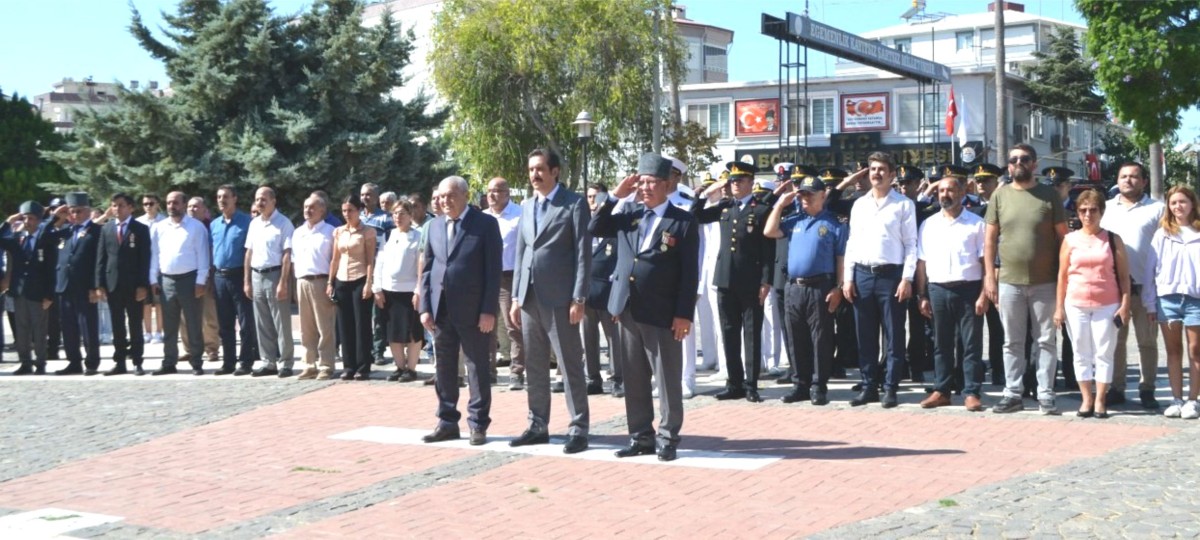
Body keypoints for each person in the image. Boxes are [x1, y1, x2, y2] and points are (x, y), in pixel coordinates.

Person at [589, 153, 699, 462]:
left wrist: (683, 314)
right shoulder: (629, 215)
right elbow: (594, 226)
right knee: (634, 378)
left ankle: (668, 436)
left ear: (666, 184)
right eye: (642, 181)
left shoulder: (683, 220)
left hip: (662, 312)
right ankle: (640, 436)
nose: (646, 187)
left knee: (666, 378)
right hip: (626, 308)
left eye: (652, 182)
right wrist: (615, 196)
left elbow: (689, 273)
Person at [508, 147, 593, 455]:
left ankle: (578, 428)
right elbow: (521, 253)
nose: (534, 174)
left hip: (561, 298)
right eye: (531, 169)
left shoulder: (573, 204)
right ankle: (537, 425)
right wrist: (516, 296)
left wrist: (578, 297)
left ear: (555, 171)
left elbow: (583, 254)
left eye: (540, 169)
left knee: (570, 365)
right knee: (534, 364)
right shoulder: (527, 205)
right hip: (530, 298)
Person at [419, 176, 502, 446]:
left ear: (465, 195)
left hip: (474, 311)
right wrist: (425, 307)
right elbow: (428, 269)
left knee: (477, 367)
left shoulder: (485, 224)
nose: (445, 201)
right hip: (441, 310)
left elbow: (493, 271)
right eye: (441, 196)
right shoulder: (432, 226)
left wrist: (489, 310)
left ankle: (478, 423)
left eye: (451, 195)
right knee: (443, 367)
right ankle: (447, 421)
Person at [985, 143, 1068, 414]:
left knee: (1046, 340)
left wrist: (1063, 277)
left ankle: (1045, 394)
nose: (1017, 163)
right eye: (1013, 159)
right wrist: (989, 276)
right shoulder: (1000, 196)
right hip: (1009, 281)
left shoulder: (1049, 195)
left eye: (1024, 159)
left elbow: (1063, 238)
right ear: (1008, 165)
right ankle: (1012, 393)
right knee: (1012, 341)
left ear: (1034, 164)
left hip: (1045, 282)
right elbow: (989, 241)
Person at [693, 161, 775, 403]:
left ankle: (751, 384)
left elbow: (767, 250)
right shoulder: (725, 207)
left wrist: (766, 281)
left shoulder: (760, 210)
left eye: (740, 180)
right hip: (725, 279)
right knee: (728, 332)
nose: (735, 184)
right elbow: (696, 216)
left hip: (751, 281)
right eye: (733, 181)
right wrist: (705, 193)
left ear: (751, 182)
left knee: (751, 333)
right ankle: (734, 382)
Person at [841, 152, 918, 408]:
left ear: (892, 174)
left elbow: (911, 245)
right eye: (873, 169)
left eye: (882, 169)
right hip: (862, 275)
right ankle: (869, 385)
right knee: (865, 336)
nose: (877, 173)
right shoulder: (859, 204)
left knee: (894, 336)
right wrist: (847, 279)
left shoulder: (904, 205)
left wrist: (907, 278)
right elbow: (852, 243)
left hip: (891, 276)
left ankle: (891, 387)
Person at [764, 167, 846, 406]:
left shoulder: (834, 224)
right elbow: (769, 231)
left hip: (820, 287)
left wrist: (838, 287)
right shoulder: (795, 221)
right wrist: (780, 204)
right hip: (794, 287)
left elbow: (841, 258)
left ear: (823, 195)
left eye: (809, 194)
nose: (804, 198)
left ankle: (818, 386)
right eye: (801, 195)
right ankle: (800, 385)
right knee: (795, 337)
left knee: (820, 339)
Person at [1053, 189, 1130, 419]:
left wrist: (1125, 304)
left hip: (1106, 303)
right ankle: (1086, 398)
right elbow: (1062, 276)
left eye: (1093, 210)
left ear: (1101, 212)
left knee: (1104, 352)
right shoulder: (1070, 239)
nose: (1088, 214)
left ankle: (1100, 400)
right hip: (1075, 304)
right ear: (1077, 212)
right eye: (1083, 210)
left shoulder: (1113, 239)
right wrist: (1059, 308)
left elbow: (1124, 277)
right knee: (1080, 351)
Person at [915, 174, 989, 411]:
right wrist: (922, 295)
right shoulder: (928, 224)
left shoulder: (976, 224)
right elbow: (922, 263)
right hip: (937, 289)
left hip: (968, 289)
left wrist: (984, 294)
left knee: (971, 345)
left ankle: (971, 392)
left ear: (961, 193)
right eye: (941, 191)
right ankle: (942, 390)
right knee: (941, 344)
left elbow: (985, 262)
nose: (945, 195)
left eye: (950, 191)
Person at [1100, 162, 1164, 409]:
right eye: (1124, 176)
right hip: (1114, 288)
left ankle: (1147, 388)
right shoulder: (1106, 208)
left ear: (1144, 181)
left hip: (1146, 288)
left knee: (1147, 342)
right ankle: (1117, 387)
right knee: (1116, 341)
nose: (1128, 180)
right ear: (1117, 180)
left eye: (1134, 176)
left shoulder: (1157, 209)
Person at [1144, 186, 1200, 419]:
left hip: (1195, 299)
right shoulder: (1163, 234)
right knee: (1173, 350)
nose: (1178, 207)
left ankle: (1192, 400)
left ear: (1192, 204)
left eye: (1183, 202)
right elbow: (1150, 271)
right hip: (1168, 298)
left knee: (1196, 350)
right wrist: (1149, 303)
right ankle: (1176, 399)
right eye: (1174, 202)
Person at [149, 191, 210, 376]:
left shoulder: (196, 227)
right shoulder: (159, 227)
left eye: (175, 203)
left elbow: (203, 255)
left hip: (189, 280)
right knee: (169, 325)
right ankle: (169, 362)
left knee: (193, 323)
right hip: (166, 280)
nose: (171, 206)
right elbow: (155, 255)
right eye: (168, 203)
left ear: (183, 205)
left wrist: (200, 281)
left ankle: (197, 361)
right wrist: (153, 278)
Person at [46, 193, 103, 375]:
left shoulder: (96, 232)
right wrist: (55, 217)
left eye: (79, 211)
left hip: (85, 287)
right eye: (71, 212)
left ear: (87, 211)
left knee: (88, 326)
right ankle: (74, 362)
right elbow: (43, 237)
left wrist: (96, 286)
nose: (75, 215)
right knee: (68, 327)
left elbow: (99, 261)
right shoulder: (67, 232)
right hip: (65, 286)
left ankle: (92, 362)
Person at [95, 193, 151, 376]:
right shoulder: (107, 229)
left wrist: (143, 285)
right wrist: (99, 284)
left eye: (120, 205)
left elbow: (145, 259)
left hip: (133, 285)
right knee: (117, 325)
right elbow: (101, 258)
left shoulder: (140, 229)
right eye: (114, 205)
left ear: (130, 207)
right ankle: (119, 362)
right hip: (113, 284)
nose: (116, 209)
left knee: (135, 324)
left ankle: (137, 361)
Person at [244, 187, 295, 378]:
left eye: (264, 199)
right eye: (257, 199)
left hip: (275, 275)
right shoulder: (254, 224)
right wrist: (247, 280)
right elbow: (248, 252)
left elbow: (287, 254)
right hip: (256, 275)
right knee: (262, 321)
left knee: (281, 321)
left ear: (274, 201)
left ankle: (286, 362)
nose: (260, 203)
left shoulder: (283, 223)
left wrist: (283, 282)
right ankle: (268, 361)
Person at [1, 201, 57, 375]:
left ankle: (40, 362)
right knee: (21, 329)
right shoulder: (17, 238)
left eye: (31, 218)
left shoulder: (44, 239)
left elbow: (50, 269)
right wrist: (9, 222)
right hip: (19, 292)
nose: (27, 222)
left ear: (38, 220)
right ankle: (25, 362)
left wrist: (50, 295)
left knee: (39, 329)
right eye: (25, 218)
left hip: (38, 293)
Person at [482, 176, 526, 389]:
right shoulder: (481, 217)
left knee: (512, 326)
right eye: (489, 190)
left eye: (498, 190)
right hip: (485, 278)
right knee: (486, 325)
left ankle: (517, 371)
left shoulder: (519, 215)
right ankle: (488, 371)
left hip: (509, 278)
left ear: (507, 193)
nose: (492, 194)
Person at [374, 199, 424, 383]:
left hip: (409, 292)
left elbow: (421, 265)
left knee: (412, 332)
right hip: (389, 291)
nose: (398, 217)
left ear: (411, 216)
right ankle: (399, 366)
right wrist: (377, 288)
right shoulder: (389, 235)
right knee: (393, 332)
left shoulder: (418, 237)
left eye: (402, 213)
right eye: (395, 213)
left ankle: (411, 369)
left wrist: (419, 290)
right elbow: (379, 263)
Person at [210, 185, 258, 376]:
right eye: (219, 197)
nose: (222, 200)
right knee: (225, 323)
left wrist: (247, 279)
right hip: (219, 276)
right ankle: (228, 362)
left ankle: (246, 362)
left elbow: (250, 252)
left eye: (226, 197)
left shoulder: (247, 222)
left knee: (246, 322)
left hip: (239, 275)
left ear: (235, 198)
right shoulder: (214, 225)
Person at [329, 194, 377, 380]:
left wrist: (369, 283)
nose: (347, 214)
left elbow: (370, 259)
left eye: (350, 210)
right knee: (344, 323)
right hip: (342, 279)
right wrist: (330, 282)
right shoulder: (339, 232)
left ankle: (363, 366)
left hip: (360, 278)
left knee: (361, 324)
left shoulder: (368, 232)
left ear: (359, 211)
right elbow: (335, 258)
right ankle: (348, 366)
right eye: (344, 211)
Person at [582, 183, 624, 397]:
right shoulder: (582, 225)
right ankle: (593, 378)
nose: (592, 201)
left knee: (613, 338)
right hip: (586, 292)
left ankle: (617, 378)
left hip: (608, 291)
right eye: (589, 196)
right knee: (588, 338)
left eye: (597, 197)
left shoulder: (612, 225)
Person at [291, 194, 338, 380]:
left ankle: (326, 365)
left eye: (312, 207)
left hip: (321, 281)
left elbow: (335, 260)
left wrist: (331, 283)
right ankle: (309, 364)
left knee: (325, 326)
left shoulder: (330, 231)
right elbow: (294, 260)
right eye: (305, 207)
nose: (307, 211)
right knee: (306, 327)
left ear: (322, 210)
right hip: (302, 281)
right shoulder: (298, 232)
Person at [180, 196, 221, 364]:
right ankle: (189, 348)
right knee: (184, 315)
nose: (191, 209)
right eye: (189, 206)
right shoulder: (182, 227)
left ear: (205, 210)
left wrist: (209, 277)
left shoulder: (210, 227)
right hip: (185, 276)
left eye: (196, 207)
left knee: (209, 315)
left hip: (207, 276)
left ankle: (211, 348)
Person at [360, 183, 393, 366]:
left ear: (376, 196)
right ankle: (365, 349)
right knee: (363, 314)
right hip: (361, 270)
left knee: (378, 314)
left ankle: (379, 350)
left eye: (369, 194)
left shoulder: (386, 219)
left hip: (380, 269)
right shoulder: (359, 219)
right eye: (363, 194)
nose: (366, 198)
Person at [137, 193, 166, 344]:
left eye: (151, 203)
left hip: (160, 267)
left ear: (157, 204)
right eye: (145, 204)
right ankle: (147, 332)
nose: (148, 206)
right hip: (143, 266)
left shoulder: (165, 221)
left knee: (159, 301)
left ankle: (159, 332)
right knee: (145, 302)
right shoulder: (139, 222)